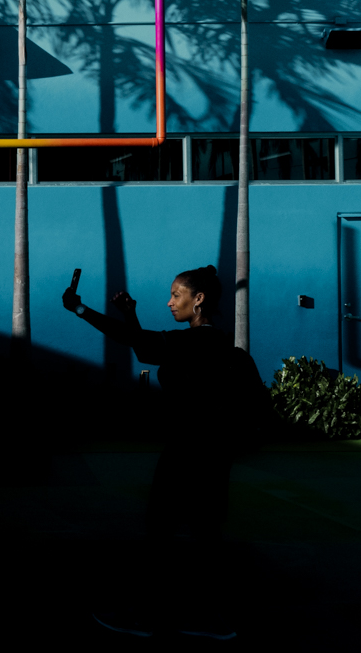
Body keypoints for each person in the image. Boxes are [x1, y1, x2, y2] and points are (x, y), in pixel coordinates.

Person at [63, 264, 270, 640]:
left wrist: (80, 310)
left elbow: (137, 344)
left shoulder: (188, 344)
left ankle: (146, 616)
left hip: (184, 453)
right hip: (215, 457)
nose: (170, 302)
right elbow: (146, 347)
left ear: (199, 299)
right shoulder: (222, 347)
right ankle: (211, 619)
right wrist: (130, 312)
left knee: (160, 534)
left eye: (177, 295)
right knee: (205, 535)